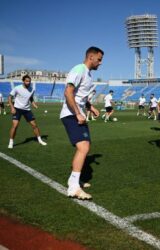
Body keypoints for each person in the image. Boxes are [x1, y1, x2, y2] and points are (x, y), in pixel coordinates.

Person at [60, 46, 103, 200]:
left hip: (79, 114)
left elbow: (81, 97)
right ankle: (73, 187)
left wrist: (91, 108)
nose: (100, 63)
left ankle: (76, 180)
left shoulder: (88, 75)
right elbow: (68, 92)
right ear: (90, 57)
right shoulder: (79, 69)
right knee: (83, 147)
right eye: (99, 59)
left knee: (85, 147)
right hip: (71, 114)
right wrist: (77, 113)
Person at [8, 75, 47, 149]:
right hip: (17, 109)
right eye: (26, 81)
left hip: (27, 109)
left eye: (29, 81)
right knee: (15, 125)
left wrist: (33, 104)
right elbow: (9, 97)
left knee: (34, 125)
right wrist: (12, 107)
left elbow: (31, 98)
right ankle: (11, 142)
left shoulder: (32, 89)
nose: (28, 82)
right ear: (23, 81)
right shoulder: (17, 88)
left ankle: (39, 140)